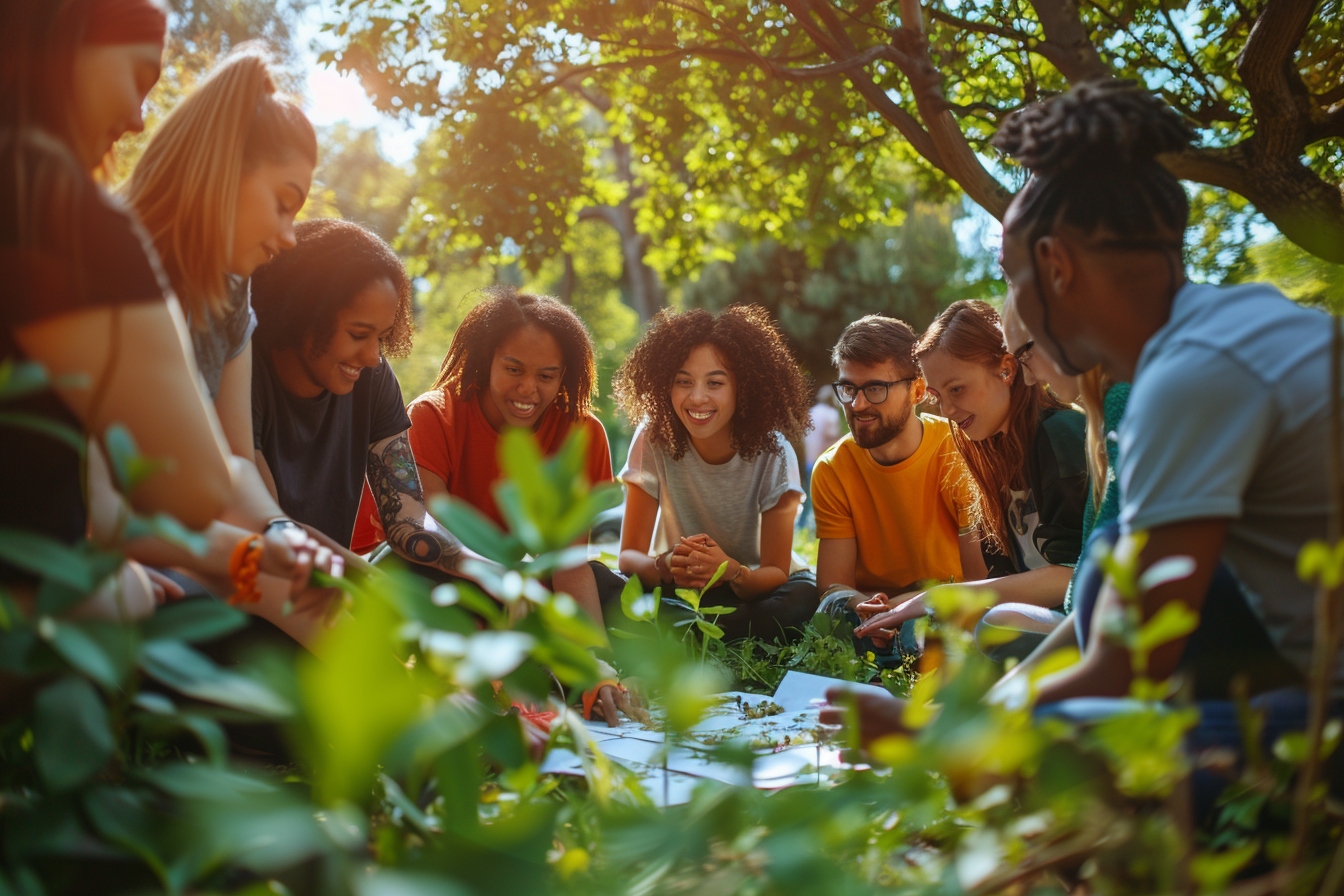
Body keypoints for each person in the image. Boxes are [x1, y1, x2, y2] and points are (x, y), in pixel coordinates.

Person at [828, 81, 1339, 801]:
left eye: (1011, 275)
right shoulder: (1236, 324)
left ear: (1057, 268)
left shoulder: (1189, 378)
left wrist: (939, 742)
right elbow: (1110, 618)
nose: (1009, 316)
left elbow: (1128, 658)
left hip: (1319, 725)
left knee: (1059, 747)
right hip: (1283, 680)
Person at [85, 46, 341, 642]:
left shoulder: (229, 287)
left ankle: (441, 710)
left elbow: (232, 458)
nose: (288, 238)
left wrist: (279, 534)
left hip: (167, 535)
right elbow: (99, 501)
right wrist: (250, 552)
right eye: (283, 204)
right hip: (95, 537)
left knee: (308, 593)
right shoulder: (107, 267)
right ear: (223, 168)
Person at [1, 0, 234, 619]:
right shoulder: (55, 208)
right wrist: (116, 591)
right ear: (68, 37)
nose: (137, 119)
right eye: (138, 76)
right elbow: (195, 487)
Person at [248, 218, 495, 603]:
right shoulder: (245, 372)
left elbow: (406, 517)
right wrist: (373, 586)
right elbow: (270, 525)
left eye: (381, 338)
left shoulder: (373, 380)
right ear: (302, 312)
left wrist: (483, 570)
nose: (373, 358)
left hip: (331, 586)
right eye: (358, 335)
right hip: (261, 585)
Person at [350, 286, 614, 628]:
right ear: (487, 359)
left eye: (546, 376)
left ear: (563, 376)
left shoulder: (582, 434)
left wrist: (595, 662)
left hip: (523, 587)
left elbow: (567, 564)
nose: (528, 390)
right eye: (514, 370)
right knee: (402, 574)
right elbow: (431, 535)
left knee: (606, 586)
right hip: (445, 572)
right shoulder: (433, 416)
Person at [853, 300, 1088, 659]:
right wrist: (904, 606)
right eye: (937, 396)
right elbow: (1002, 577)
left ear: (1006, 370)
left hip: (1082, 622)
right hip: (1027, 622)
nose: (946, 410)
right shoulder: (990, 452)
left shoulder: (1061, 435)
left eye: (957, 389)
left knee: (995, 624)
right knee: (923, 630)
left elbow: (1073, 577)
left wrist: (940, 598)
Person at [606, 305, 817, 642]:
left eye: (715, 383)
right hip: (678, 589)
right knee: (601, 581)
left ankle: (693, 636)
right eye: (683, 382)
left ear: (743, 388)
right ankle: (715, 635)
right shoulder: (653, 437)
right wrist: (667, 567)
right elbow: (628, 556)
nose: (697, 398)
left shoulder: (775, 452)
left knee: (801, 600)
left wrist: (730, 571)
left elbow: (777, 572)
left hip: (755, 589)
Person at [811, 315, 984, 659]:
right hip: (870, 612)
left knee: (942, 625)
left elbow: (979, 579)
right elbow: (832, 586)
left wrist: (906, 607)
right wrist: (869, 608)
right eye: (849, 389)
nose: (858, 405)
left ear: (918, 390)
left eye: (875, 388)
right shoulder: (832, 469)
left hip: (945, 599)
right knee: (824, 611)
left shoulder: (959, 450)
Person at [798, 386, 843, 531]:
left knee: (808, 492)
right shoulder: (831, 414)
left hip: (809, 459)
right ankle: (817, 528)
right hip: (823, 461)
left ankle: (802, 525)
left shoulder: (812, 412)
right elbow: (833, 437)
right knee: (822, 496)